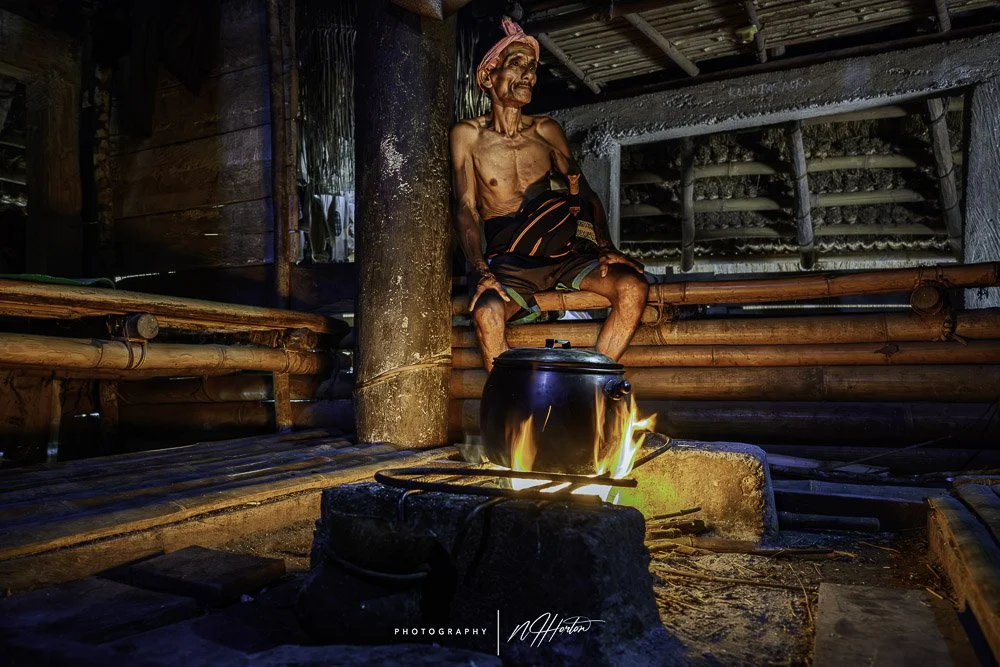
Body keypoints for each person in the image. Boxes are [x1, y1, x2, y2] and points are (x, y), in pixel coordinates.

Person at [450, 18, 648, 372]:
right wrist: (481, 270)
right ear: (488, 75)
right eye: (517, 64)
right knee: (487, 311)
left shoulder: (546, 129)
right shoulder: (467, 136)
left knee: (633, 288)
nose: (528, 74)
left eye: (532, 67)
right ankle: (511, 409)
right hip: (512, 260)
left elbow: (583, 190)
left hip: (565, 251)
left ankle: (592, 383)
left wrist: (605, 245)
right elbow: (466, 209)